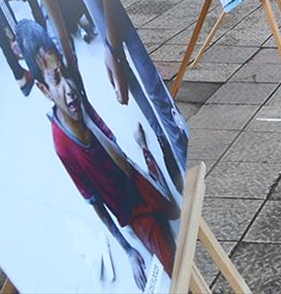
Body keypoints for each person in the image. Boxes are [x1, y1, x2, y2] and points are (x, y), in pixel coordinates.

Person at [15, 20, 178, 289]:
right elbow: (95, 203)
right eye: (56, 80)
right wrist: (128, 250)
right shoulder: (62, 146)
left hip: (133, 176)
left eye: (65, 73)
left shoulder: (77, 96)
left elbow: (121, 160)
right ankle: (144, 152)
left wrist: (89, 121)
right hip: (131, 210)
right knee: (175, 263)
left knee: (174, 210)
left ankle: (144, 150)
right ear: (44, 90)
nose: (68, 88)